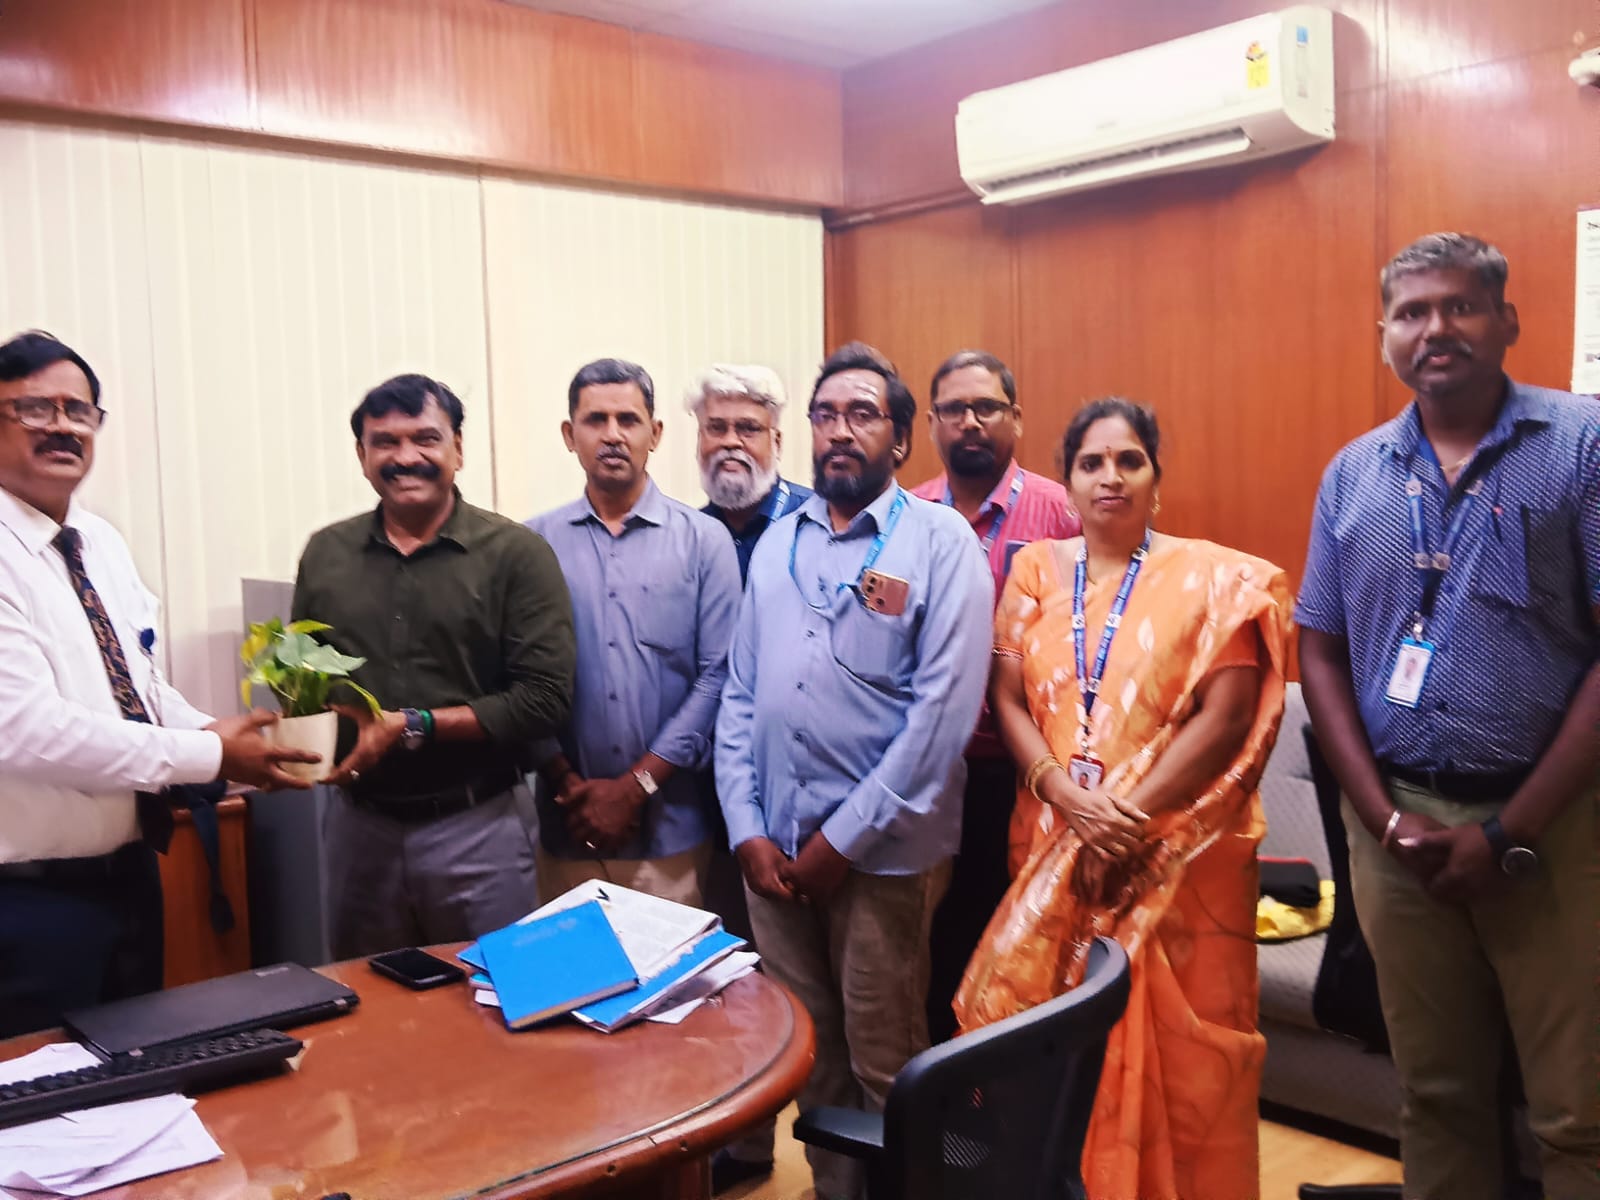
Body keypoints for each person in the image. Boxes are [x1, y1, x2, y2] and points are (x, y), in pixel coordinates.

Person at [1297, 233, 1600, 1199]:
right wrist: (1383, 821)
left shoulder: (1583, 445)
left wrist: (1511, 830)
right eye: (1412, 312)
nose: (1436, 328)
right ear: (1384, 334)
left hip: (1555, 827)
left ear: (1507, 322)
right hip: (1400, 833)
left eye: (1460, 306)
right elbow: (1320, 649)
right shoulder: (1354, 473)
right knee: (1434, 1095)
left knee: (1578, 1113)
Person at [956, 398, 1293, 1200]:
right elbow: (1005, 697)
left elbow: (1229, 713)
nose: (1111, 476)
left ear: (1155, 480)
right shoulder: (1036, 570)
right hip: (1050, 836)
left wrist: (1122, 818)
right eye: (1092, 463)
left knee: (1176, 1053)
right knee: (1040, 1038)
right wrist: (1063, 794)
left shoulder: (1213, 579)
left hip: (1167, 851)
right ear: (1068, 483)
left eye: (1129, 460)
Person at [716, 342, 992, 1200]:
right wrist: (746, 828)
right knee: (809, 1052)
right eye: (826, 415)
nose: (840, 431)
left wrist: (841, 841)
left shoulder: (941, 545)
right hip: (775, 860)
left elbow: (940, 722)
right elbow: (739, 696)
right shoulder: (778, 544)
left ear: (900, 439)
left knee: (885, 1059)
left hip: (885, 862)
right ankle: (838, 1191)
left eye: (862, 414)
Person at [0, 330, 317, 1037]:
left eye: (80, 411)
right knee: (42, 1095)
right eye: (35, 409)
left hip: (130, 879)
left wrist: (217, 733)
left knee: (139, 1076)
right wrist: (211, 754)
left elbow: (138, 687)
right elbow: (25, 731)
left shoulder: (99, 543)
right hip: (24, 906)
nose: (62, 426)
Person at [292, 373, 574, 960]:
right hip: (358, 831)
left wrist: (413, 725)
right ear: (362, 455)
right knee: (368, 998)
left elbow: (546, 698)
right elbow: (303, 680)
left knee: (494, 998)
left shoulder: (516, 555)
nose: (405, 457)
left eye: (425, 438)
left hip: (479, 830)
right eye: (385, 442)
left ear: (458, 448)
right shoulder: (325, 554)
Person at [909, 348, 1079, 1043]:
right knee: (933, 937)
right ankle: (941, 1084)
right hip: (928, 768)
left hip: (1026, 771)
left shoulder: (1062, 512)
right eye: (955, 409)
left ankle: (1004, 1084)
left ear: (1016, 417)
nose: (970, 422)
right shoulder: (909, 515)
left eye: (987, 407)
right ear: (931, 423)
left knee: (1014, 932)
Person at [528, 358, 740, 907]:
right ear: (569, 435)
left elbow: (719, 676)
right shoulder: (532, 545)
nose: (613, 435)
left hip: (671, 834)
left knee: (673, 966)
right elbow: (519, 680)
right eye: (595, 420)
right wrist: (566, 783)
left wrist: (635, 787)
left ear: (656, 433)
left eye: (628, 419)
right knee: (567, 965)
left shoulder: (705, 542)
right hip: (566, 825)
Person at [688, 362, 811, 1194]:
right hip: (708, 798)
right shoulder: (688, 534)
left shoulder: (816, 523)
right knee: (728, 977)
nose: (731, 443)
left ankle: (846, 1158)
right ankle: (747, 1142)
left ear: (777, 438)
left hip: (804, 804)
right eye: (717, 428)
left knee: (816, 990)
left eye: (748, 428)